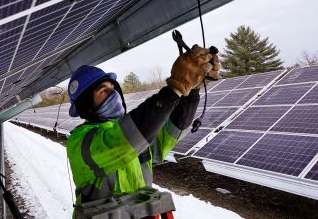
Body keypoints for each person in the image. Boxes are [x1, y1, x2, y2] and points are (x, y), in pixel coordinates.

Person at [66, 45, 221, 206]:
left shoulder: (133, 133)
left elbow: (169, 134)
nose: (114, 94)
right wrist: (176, 86)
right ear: (86, 106)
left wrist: (191, 92)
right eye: (103, 91)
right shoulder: (79, 141)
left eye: (113, 89)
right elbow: (123, 140)